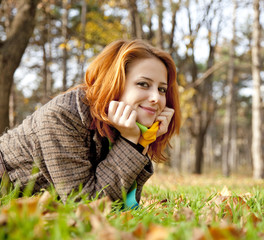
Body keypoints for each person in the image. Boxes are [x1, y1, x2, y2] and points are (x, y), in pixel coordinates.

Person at [0, 39, 181, 208]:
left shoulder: (123, 125)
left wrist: (141, 142)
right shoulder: (64, 116)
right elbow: (84, 204)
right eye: (143, 84)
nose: (156, 98)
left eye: (162, 89)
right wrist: (129, 142)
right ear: (114, 83)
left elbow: (123, 202)